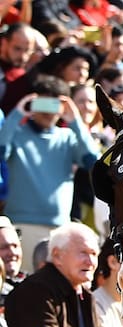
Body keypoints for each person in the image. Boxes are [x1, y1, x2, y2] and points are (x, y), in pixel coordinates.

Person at [4, 221, 123, 327]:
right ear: (57, 255)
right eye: (83, 253)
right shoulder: (34, 291)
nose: (90, 261)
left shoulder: (85, 293)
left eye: (94, 253)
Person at [0, 74, 101, 273]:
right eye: (44, 102)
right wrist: (18, 113)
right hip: (20, 225)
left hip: (59, 228)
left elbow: (93, 162)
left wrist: (75, 121)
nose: (48, 111)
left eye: (55, 104)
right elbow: (1, 151)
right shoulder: (16, 133)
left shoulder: (68, 137)